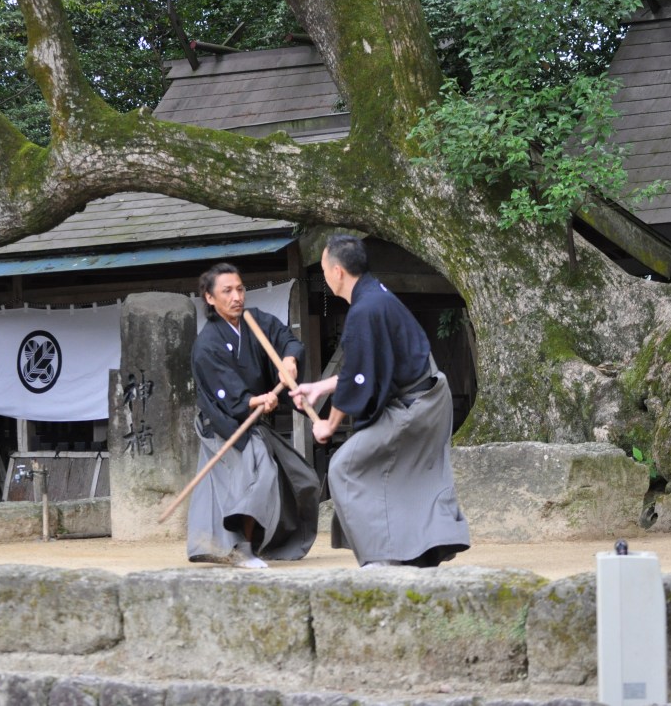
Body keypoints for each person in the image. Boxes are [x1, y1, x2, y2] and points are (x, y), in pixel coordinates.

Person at [290, 235, 470, 568]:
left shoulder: (365, 309)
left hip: (415, 407)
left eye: (325, 269)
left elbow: (359, 377)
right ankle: (417, 553)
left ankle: (380, 559)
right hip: (425, 398)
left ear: (338, 272)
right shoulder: (376, 296)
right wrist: (320, 388)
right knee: (401, 477)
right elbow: (372, 367)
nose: (325, 276)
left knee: (345, 468)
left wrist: (329, 423)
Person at [188, 262, 319, 568]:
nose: (237, 297)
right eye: (227, 291)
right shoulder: (207, 345)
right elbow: (230, 396)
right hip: (222, 424)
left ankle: (270, 542)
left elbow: (287, 340)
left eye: (240, 289)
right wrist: (256, 400)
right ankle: (241, 548)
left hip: (252, 421)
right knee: (258, 475)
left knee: (301, 477)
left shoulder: (254, 320)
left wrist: (289, 360)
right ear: (210, 298)